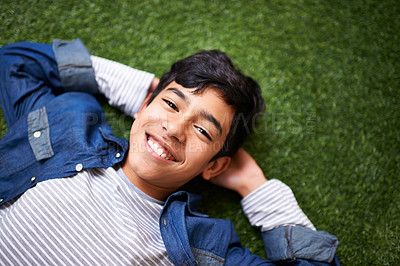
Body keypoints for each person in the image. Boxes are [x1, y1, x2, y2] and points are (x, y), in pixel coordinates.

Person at [0, 39, 339, 265]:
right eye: (171, 105)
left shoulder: (203, 244)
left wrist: (256, 187)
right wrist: (144, 92)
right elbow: (15, 63)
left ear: (215, 165)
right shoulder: (70, 124)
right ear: (145, 105)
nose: (175, 129)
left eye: (203, 130)